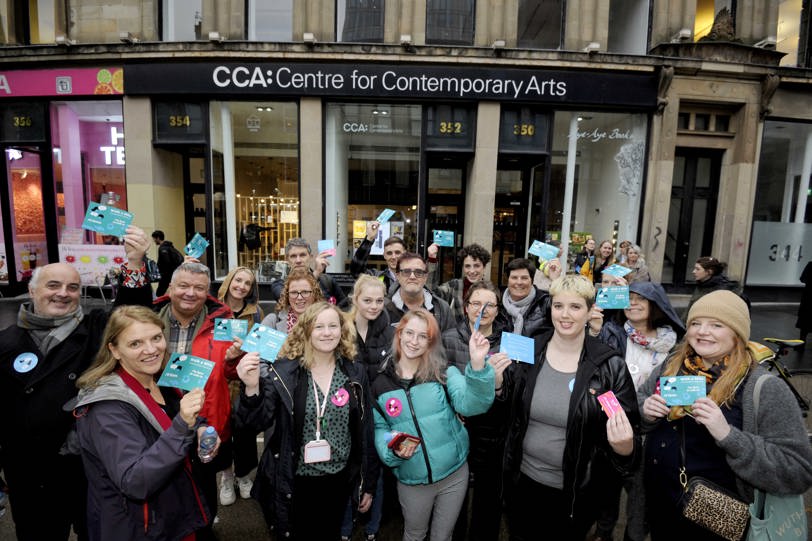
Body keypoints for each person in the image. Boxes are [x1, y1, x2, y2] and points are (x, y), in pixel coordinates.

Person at [0, 227, 153, 541]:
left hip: (85, 467)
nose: (63, 293)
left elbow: (135, 316)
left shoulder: (96, 329)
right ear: (32, 290)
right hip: (29, 472)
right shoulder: (6, 342)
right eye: (53, 285)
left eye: (72, 287)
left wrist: (135, 264)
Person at [639, 290, 812, 540]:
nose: (702, 331)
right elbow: (638, 402)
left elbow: (797, 471)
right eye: (695, 323)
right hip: (662, 510)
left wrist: (728, 435)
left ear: (737, 333)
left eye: (716, 325)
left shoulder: (763, 387)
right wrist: (646, 411)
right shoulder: (673, 366)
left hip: (718, 521)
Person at [502, 275, 640, 540]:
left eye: (575, 307)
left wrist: (625, 447)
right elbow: (508, 410)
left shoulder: (609, 367)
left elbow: (629, 441)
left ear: (590, 312)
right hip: (522, 484)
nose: (565, 315)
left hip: (576, 494)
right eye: (558, 306)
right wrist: (496, 385)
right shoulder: (531, 351)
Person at [116, 260, 243, 534]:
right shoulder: (147, 317)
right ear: (170, 287)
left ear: (208, 291)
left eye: (198, 288)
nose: (190, 293)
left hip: (206, 419)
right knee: (160, 489)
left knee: (204, 492)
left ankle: (205, 531)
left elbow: (231, 375)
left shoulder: (226, 322)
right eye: (183, 286)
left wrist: (234, 360)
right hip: (156, 418)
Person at [233, 302, 378, 539]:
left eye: (333, 325)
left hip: (339, 478)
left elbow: (366, 430)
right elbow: (254, 423)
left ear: (342, 330)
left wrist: (367, 483)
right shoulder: (284, 372)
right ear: (306, 330)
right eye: (319, 326)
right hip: (295, 480)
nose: (327, 332)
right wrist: (251, 388)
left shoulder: (354, 373)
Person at [72, 305, 210, 540]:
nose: (151, 349)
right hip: (138, 527)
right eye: (135, 343)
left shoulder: (160, 378)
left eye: (156, 338)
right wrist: (182, 425)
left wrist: (201, 429)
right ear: (114, 350)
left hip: (171, 516)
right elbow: (135, 481)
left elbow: (164, 424)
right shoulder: (107, 407)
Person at [372, 309, 499, 541]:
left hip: (454, 475)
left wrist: (478, 365)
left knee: (443, 536)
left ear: (431, 341)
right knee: (414, 535)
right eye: (409, 333)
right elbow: (379, 429)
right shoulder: (380, 382)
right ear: (398, 334)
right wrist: (392, 446)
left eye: (423, 336)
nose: (414, 341)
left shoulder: (443, 372)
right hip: (412, 480)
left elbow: (472, 404)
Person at [591, 281, 685, 541]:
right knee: (607, 486)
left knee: (641, 494)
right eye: (628, 298)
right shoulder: (613, 332)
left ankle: (635, 535)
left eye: (640, 299)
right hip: (614, 422)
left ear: (655, 305)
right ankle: (603, 530)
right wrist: (595, 331)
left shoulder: (675, 344)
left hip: (653, 430)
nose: (632, 303)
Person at [442, 281, 511, 541]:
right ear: (466, 306)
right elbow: (439, 379)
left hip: (492, 429)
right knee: (454, 495)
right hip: (456, 427)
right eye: (476, 303)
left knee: (488, 496)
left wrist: (498, 384)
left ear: (497, 308)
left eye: (490, 304)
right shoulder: (449, 337)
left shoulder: (509, 340)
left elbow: (515, 390)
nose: (483, 309)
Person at [340, 274, 394, 541]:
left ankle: (373, 527)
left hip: (379, 410)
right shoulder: (341, 329)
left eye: (379, 301)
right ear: (355, 299)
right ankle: (346, 527)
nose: (374, 306)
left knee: (377, 467)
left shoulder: (389, 330)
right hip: (348, 410)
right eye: (368, 300)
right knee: (348, 467)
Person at [216, 266, 264, 506]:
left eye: (247, 283)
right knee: (222, 429)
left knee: (244, 431)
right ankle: (225, 476)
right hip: (218, 381)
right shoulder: (213, 309)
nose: (242, 286)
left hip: (243, 380)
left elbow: (261, 347)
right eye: (238, 280)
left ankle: (244, 475)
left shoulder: (256, 313)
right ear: (229, 281)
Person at [384, 252, 455, 331]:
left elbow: (450, 341)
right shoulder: (383, 308)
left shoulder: (442, 308)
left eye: (418, 272)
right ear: (398, 276)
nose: (412, 277)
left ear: (425, 277)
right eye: (406, 272)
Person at [426, 242, 491, 324]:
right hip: (456, 335)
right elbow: (430, 292)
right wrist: (432, 260)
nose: (472, 271)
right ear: (463, 268)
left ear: (484, 267)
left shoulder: (490, 290)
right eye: (467, 266)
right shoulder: (454, 286)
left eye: (476, 266)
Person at [270, 237, 347, 306]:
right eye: (293, 256)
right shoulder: (279, 284)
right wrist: (316, 274)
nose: (298, 260)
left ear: (310, 257)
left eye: (302, 255)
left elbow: (345, 305)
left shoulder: (327, 281)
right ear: (287, 260)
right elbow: (286, 301)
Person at [350, 220, 405, 295]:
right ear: (384, 255)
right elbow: (356, 271)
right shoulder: (377, 277)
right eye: (389, 253)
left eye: (397, 252)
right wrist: (369, 239)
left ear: (405, 254)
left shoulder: (414, 276)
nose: (393, 257)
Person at [262, 267, 324, 332]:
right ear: (287, 295)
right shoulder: (272, 321)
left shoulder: (325, 320)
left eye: (305, 292)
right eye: (294, 292)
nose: (299, 297)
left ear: (315, 294)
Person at [502, 258, 552, 338]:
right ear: (508, 280)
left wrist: (555, 279)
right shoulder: (498, 305)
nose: (519, 282)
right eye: (514, 278)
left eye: (524, 278)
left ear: (532, 281)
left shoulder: (545, 303)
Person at [151, 230, 184, 297]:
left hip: (166, 276)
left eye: (154, 239)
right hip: (172, 275)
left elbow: (166, 263)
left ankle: (159, 306)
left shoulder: (163, 248)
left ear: (157, 238)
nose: (154, 241)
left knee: (160, 293)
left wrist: (162, 274)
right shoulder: (169, 247)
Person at [796, 261, 812, 346]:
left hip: (808, 297)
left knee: (804, 323)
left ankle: (801, 343)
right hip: (808, 297)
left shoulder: (810, 264)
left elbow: (802, 279)